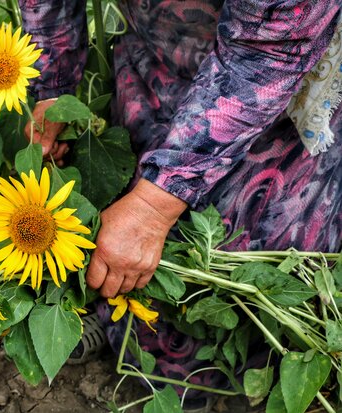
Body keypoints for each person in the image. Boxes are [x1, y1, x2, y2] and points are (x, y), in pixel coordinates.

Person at [19, 0, 342, 408]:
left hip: (277, 85)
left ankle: (249, 383)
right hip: (155, 54)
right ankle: (134, 344)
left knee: (247, 255)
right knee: (127, 229)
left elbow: (265, 57)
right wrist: (53, 86)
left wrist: (152, 208)